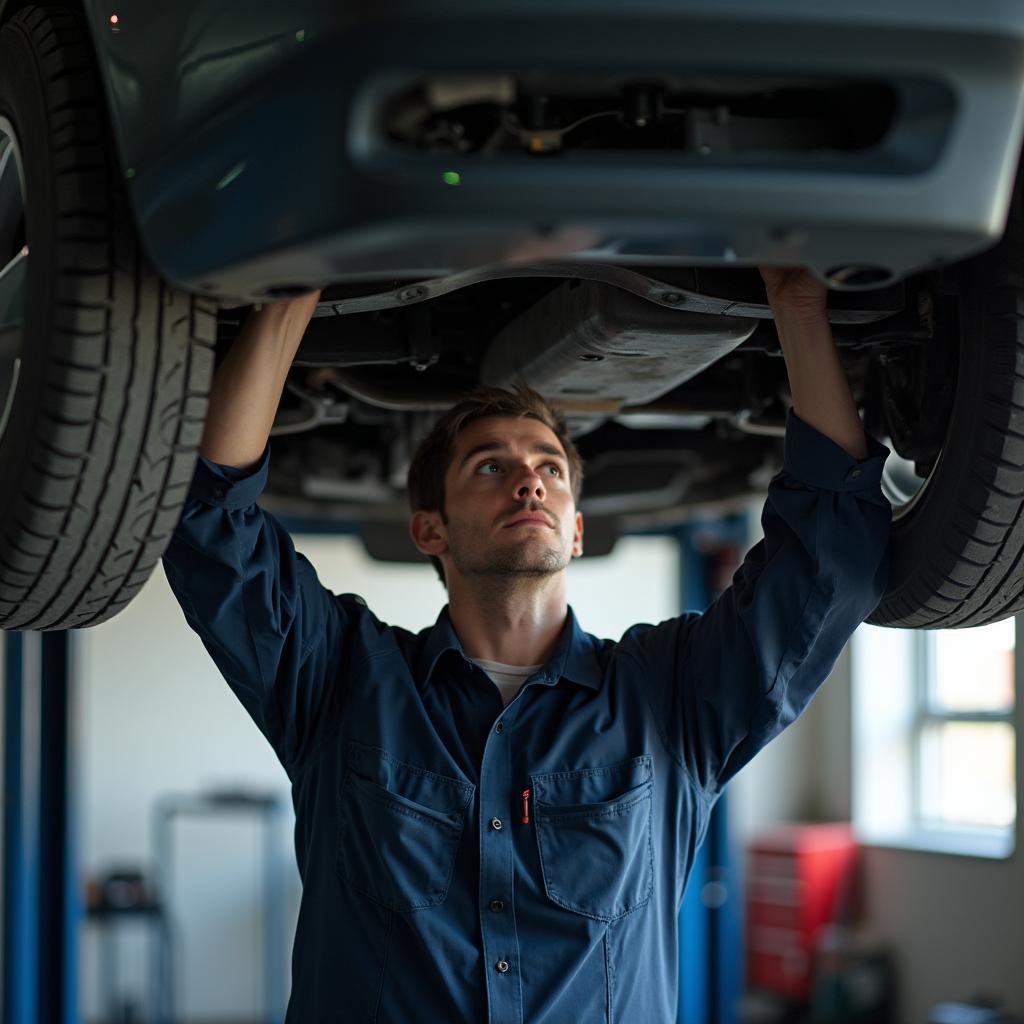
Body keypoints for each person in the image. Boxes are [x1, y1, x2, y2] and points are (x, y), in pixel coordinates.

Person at [161, 267, 891, 1024]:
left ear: (576, 529)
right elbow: (211, 528)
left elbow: (829, 558)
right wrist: (293, 293)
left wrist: (800, 308)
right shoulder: (342, 680)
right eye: (490, 467)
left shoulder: (669, 698)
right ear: (430, 530)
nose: (529, 483)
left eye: (549, 468)